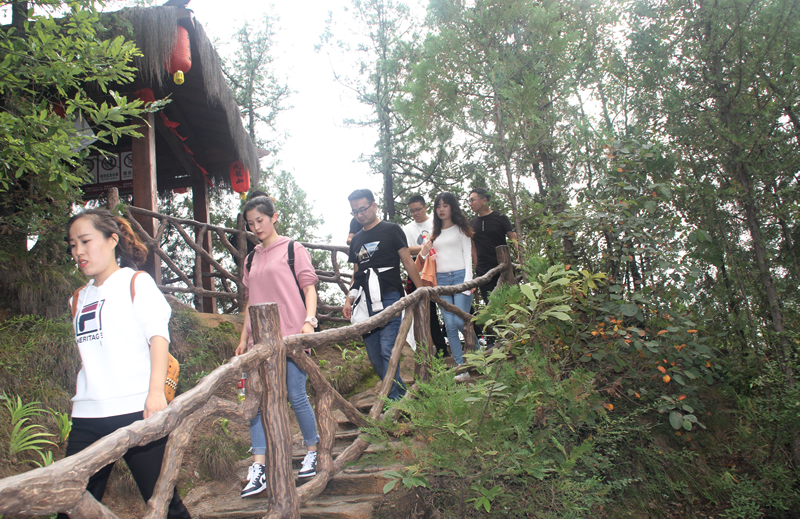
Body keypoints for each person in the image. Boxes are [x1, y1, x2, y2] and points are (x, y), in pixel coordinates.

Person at [62, 209, 191, 519]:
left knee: (164, 503)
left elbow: (158, 337)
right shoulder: (77, 299)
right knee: (70, 506)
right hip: (87, 416)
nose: (78, 251)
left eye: (85, 241)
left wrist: (155, 394)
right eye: (72, 245)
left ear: (112, 240)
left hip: (137, 410)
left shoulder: (136, 282)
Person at [235, 196, 320, 498]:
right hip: (260, 341)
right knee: (256, 402)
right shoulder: (251, 258)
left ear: (274, 217)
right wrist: (243, 338)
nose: (256, 227)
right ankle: (259, 467)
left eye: (260, 220)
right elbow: (251, 300)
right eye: (251, 223)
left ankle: (313, 451)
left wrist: (309, 321)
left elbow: (309, 288)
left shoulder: (293, 249)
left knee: (296, 395)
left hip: (291, 336)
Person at [342, 189, 424, 400]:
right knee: (374, 354)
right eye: (355, 212)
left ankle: (395, 403)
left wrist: (422, 290)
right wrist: (349, 299)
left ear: (374, 205)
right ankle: (399, 397)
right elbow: (357, 273)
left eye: (363, 209)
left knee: (388, 349)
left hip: (389, 296)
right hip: (364, 301)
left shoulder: (391, 230)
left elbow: (407, 261)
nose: (359, 215)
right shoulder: (357, 239)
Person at [420, 193, 475, 368]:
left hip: (460, 277)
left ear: (452, 207)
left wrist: (469, 281)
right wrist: (424, 251)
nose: (441, 209)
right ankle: (460, 366)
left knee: (460, 321)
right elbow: (425, 258)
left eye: (445, 205)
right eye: (438, 206)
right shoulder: (434, 233)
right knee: (450, 325)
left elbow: (468, 255)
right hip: (441, 280)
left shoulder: (461, 229)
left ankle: (477, 352)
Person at [402, 195, 449, 358]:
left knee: (450, 306)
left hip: (442, 268)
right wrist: (424, 248)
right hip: (420, 273)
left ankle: (475, 338)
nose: (415, 213)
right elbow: (406, 250)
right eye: (411, 211)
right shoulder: (407, 228)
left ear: (425, 207)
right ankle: (441, 350)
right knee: (429, 313)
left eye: (418, 209)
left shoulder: (436, 222)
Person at [468, 188, 518, 304]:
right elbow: (473, 249)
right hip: (483, 270)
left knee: (510, 302)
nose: (470, 203)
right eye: (469, 200)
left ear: (484, 200)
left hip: (503, 266)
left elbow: (513, 237)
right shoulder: (471, 224)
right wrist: (477, 269)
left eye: (473, 200)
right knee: (490, 304)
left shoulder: (500, 217)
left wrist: (521, 254)